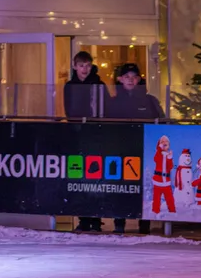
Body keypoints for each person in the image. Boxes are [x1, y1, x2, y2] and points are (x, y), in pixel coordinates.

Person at [105, 62, 163, 235]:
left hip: (144, 150)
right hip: (120, 151)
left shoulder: (150, 100)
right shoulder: (113, 102)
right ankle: (119, 223)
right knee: (121, 188)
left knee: (144, 188)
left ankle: (144, 226)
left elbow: (162, 121)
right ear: (120, 79)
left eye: (134, 77)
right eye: (127, 77)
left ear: (139, 79)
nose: (130, 80)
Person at [65, 51, 108, 232]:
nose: (85, 69)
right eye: (81, 65)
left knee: (96, 175)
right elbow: (69, 109)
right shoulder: (70, 85)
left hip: (95, 134)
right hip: (77, 134)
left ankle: (96, 219)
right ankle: (83, 218)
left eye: (88, 65)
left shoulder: (99, 84)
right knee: (78, 175)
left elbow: (104, 108)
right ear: (75, 66)